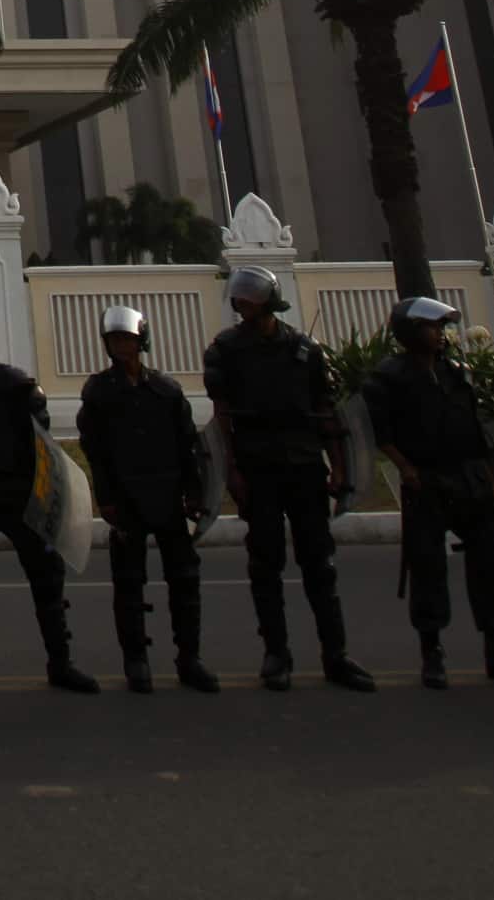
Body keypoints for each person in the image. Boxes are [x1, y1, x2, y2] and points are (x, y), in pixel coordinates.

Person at [201, 267, 373, 691]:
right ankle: (276, 653)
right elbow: (222, 417)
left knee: (320, 564)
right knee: (265, 564)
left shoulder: (303, 350)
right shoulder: (226, 350)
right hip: (258, 467)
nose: (242, 306)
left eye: (249, 299)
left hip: (304, 466)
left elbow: (328, 413)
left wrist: (342, 468)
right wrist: (232, 473)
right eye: (238, 300)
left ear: (267, 301)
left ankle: (336, 654)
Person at [364, 297, 494, 690]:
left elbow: (477, 433)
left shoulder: (457, 373)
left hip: (468, 479)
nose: (440, 335)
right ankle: (432, 652)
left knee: (489, 565)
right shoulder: (388, 377)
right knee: (428, 570)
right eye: (432, 327)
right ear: (410, 332)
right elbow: (381, 433)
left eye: (442, 328)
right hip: (426, 483)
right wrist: (407, 469)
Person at [0, 309, 97, 694]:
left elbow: (45, 450)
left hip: (20, 496)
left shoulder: (17, 387)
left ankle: (61, 663)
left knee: (47, 579)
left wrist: (46, 503)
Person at [77, 304, 216, 693]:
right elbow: (95, 450)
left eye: (127, 339)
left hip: (169, 494)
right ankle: (136, 660)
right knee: (129, 582)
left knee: (184, 580)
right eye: (115, 340)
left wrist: (194, 492)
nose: (121, 347)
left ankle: (190, 658)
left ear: (141, 342)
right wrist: (105, 498)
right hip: (126, 498)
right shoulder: (99, 392)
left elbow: (187, 444)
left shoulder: (167, 390)